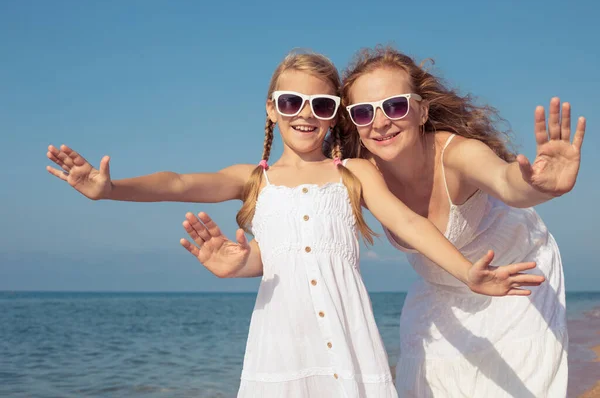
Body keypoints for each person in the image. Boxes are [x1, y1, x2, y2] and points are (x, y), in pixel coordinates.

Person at [46, 51, 544, 398]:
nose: (304, 114)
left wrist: (466, 273)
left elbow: (411, 226)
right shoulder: (253, 179)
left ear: (334, 117)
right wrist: (111, 189)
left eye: (321, 105)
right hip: (280, 348)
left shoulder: (355, 171)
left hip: (350, 347)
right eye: (290, 102)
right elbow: (179, 182)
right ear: (271, 108)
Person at [185, 47, 586, 397]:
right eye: (363, 112)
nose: (380, 123)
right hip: (443, 289)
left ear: (421, 109)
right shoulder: (360, 174)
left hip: (516, 279)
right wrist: (246, 262)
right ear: (350, 119)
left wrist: (543, 187)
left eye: (395, 106)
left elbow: (508, 183)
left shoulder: (456, 153)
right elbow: (301, 238)